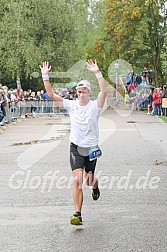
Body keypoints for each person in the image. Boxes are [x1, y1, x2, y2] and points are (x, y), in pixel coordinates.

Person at [40, 59, 107, 225]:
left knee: (89, 179)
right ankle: (77, 214)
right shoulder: (71, 105)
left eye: (84, 91)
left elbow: (104, 91)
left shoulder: (95, 106)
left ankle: (95, 186)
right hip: (76, 146)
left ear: (89, 92)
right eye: (78, 92)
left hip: (91, 148)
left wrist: (97, 73)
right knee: (77, 180)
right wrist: (45, 76)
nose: (81, 94)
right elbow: (51, 95)